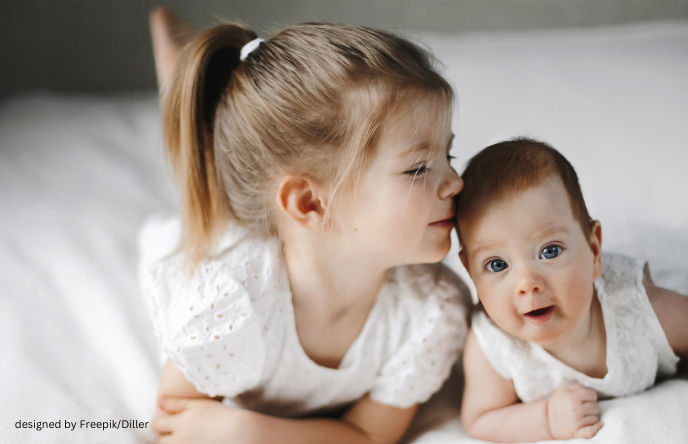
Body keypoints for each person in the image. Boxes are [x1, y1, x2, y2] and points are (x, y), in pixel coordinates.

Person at [140, 7, 469, 444]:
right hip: (213, 240)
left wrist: (250, 430)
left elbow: (369, 437)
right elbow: (175, 420)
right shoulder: (227, 299)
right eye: (417, 168)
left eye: (449, 156)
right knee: (198, 190)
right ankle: (176, 70)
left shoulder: (430, 312)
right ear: (311, 202)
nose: (456, 181)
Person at [455, 138, 688, 442]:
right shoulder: (493, 345)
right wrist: (545, 419)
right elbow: (481, 419)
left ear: (594, 251)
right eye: (497, 265)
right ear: (471, 273)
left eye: (550, 251)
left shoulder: (636, 304)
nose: (528, 284)